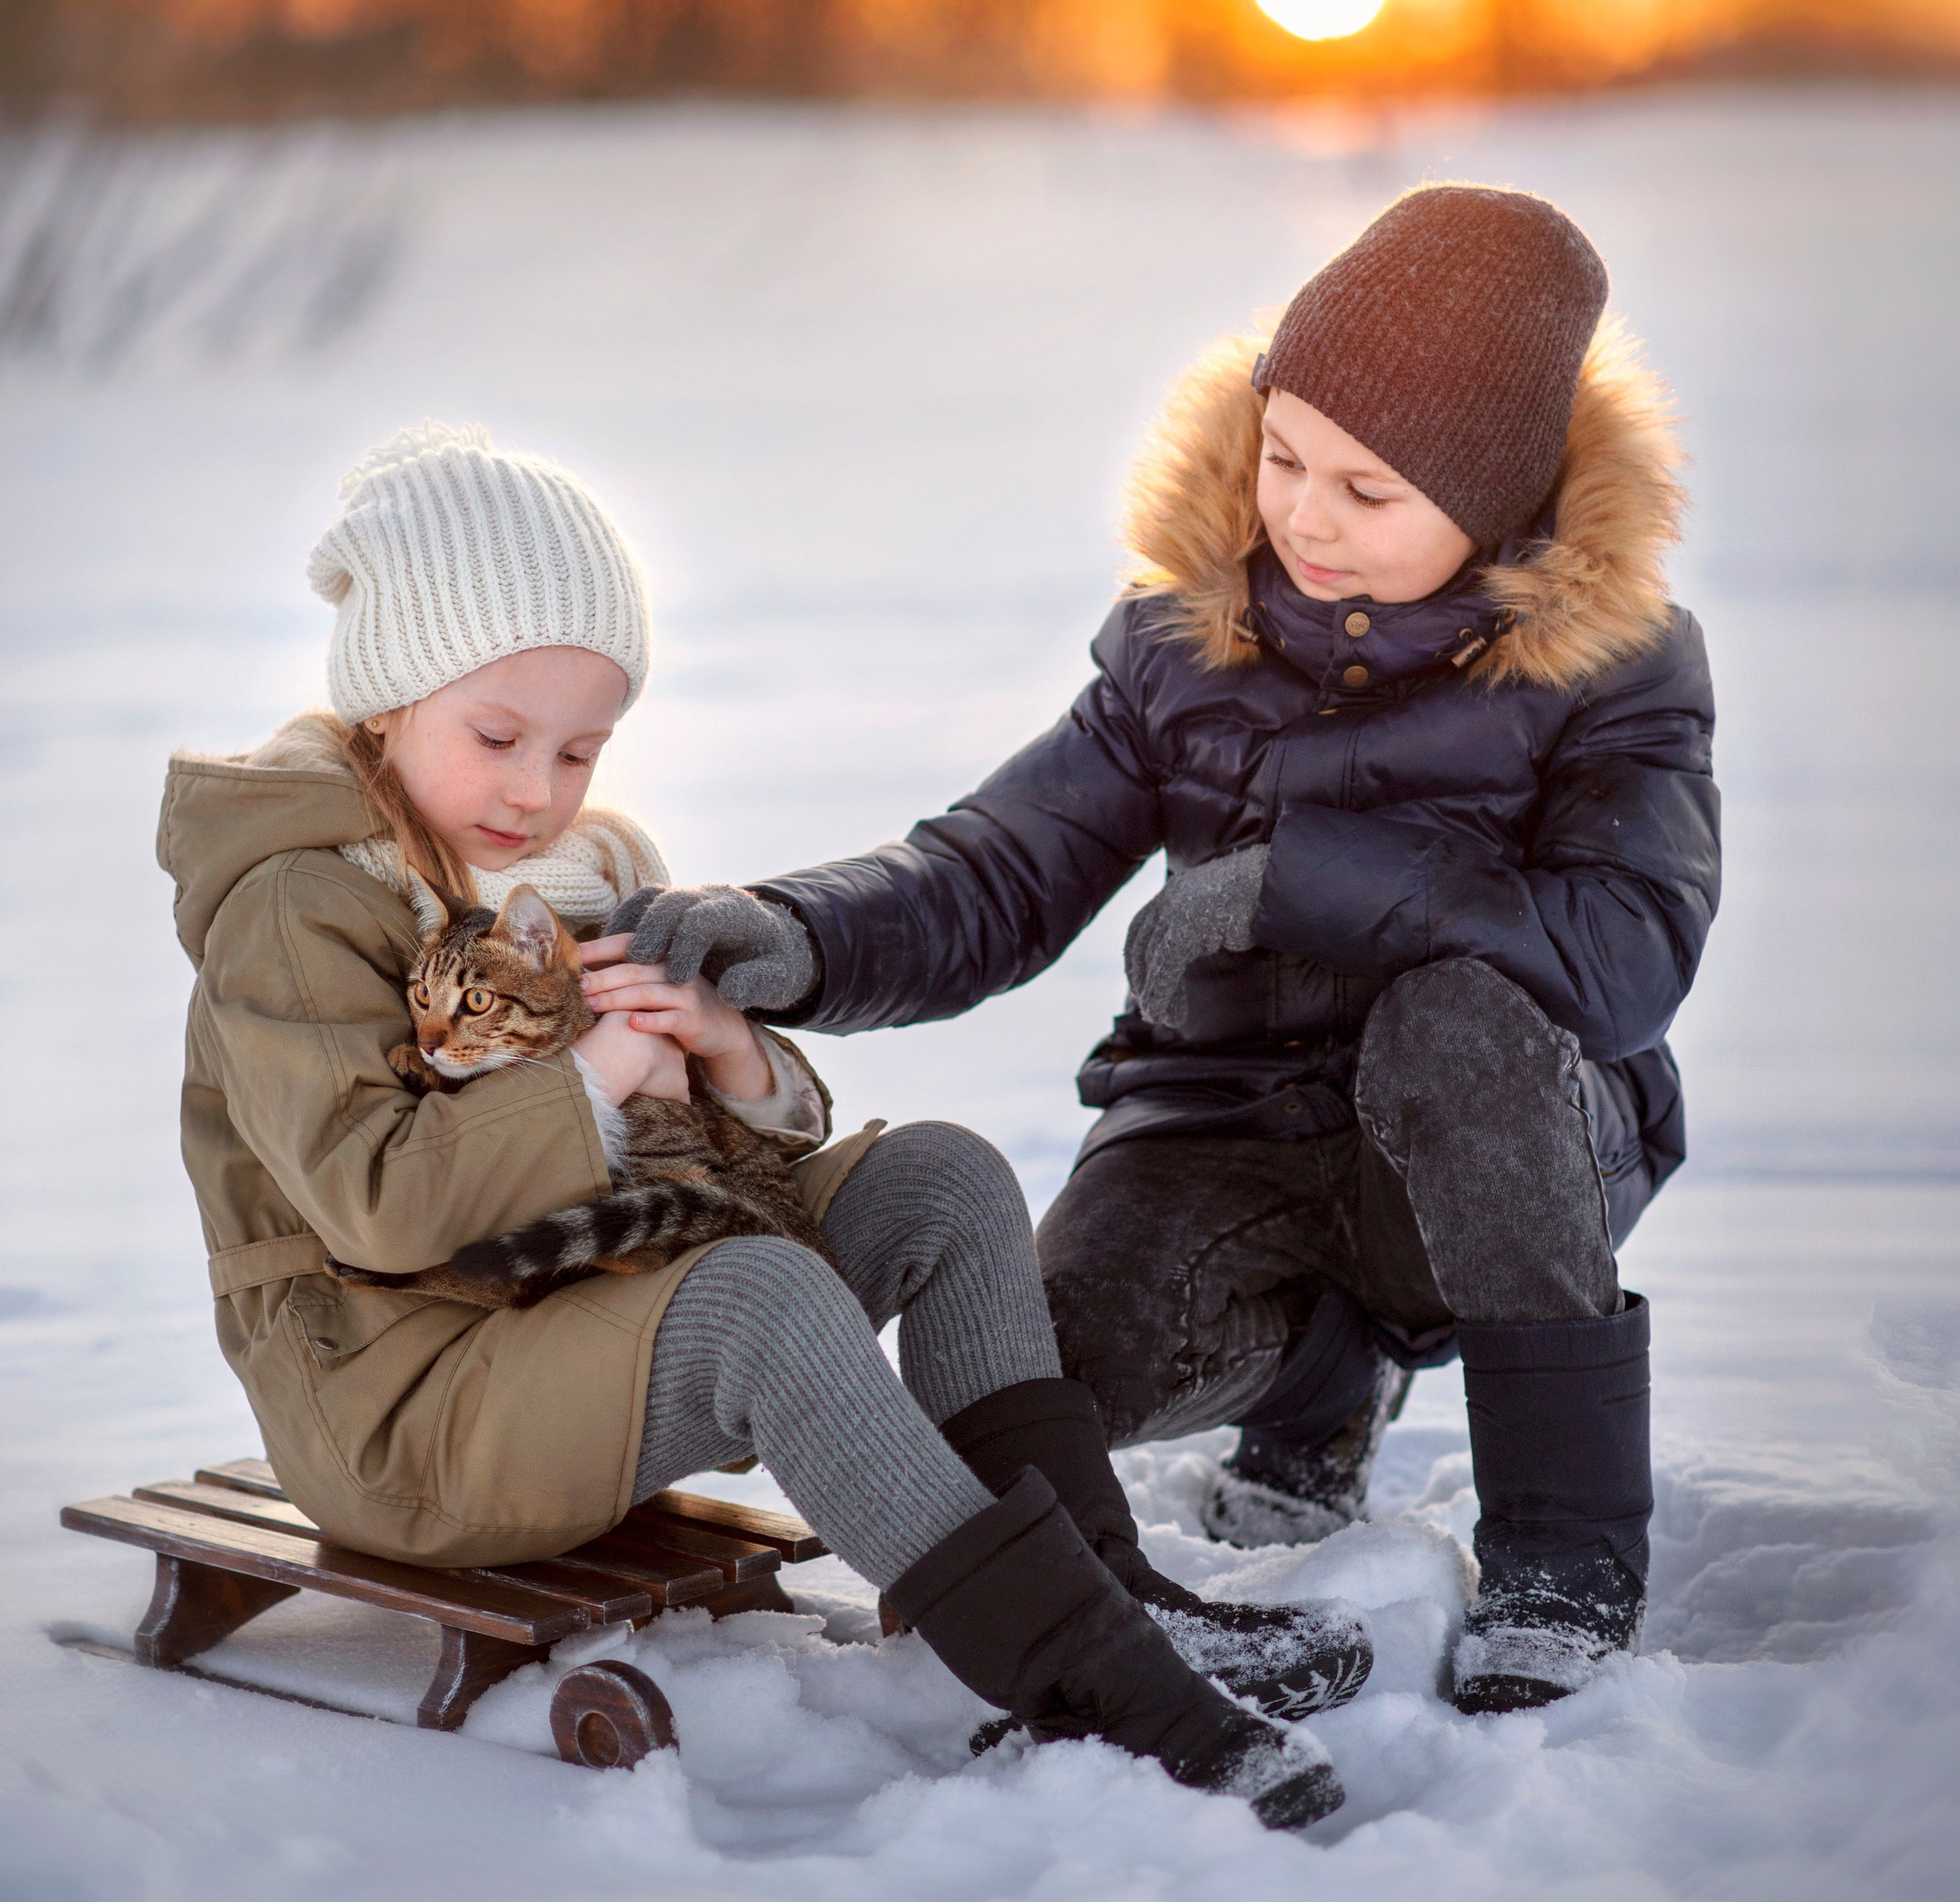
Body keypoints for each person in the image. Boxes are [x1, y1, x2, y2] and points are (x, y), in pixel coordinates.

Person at [158, 421, 1370, 1829]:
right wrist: (600, 1072)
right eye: (497, 738)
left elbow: (710, 1170)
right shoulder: (297, 909)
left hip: (574, 1310)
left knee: (939, 1177)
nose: (536, 789)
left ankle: (1112, 1595)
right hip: (409, 1407)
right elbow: (376, 1202)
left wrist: (730, 1054)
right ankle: (1103, 1686)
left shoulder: (582, 869)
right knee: (756, 1298)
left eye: (579, 748)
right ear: (388, 697)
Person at [616, 186, 1723, 1713]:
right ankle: (1315, 1391)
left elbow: (1627, 954)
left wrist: (1294, 881)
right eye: (1285, 455)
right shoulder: (1182, 642)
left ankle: (1565, 1551)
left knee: (1457, 1027)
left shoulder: (1614, 667)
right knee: (1040, 1369)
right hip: (1223, 1130)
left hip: (1506, 1143)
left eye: (1369, 487)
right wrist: (792, 932)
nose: (1307, 515)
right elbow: (996, 869)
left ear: (1502, 498)